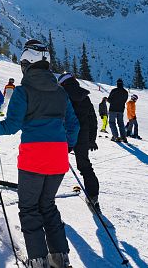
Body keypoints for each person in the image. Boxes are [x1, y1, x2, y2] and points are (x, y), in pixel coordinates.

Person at [0, 39, 79, 268]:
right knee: (47, 205)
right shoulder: (60, 92)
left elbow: (11, 126)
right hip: (58, 158)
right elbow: (73, 125)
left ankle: (38, 261)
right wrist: (65, 146)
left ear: (27, 64)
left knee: (29, 209)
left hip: (33, 158)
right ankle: (60, 258)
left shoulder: (22, 91)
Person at [58, 72, 101, 213]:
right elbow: (92, 119)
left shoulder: (62, 95)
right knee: (85, 166)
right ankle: (93, 197)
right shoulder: (84, 97)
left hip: (65, 135)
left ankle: (46, 195)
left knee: (55, 165)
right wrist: (91, 139)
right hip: (83, 136)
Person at [108, 79, 128, 143]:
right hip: (121, 110)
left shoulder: (114, 91)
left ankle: (115, 136)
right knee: (121, 123)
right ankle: (124, 137)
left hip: (113, 109)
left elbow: (109, 100)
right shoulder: (125, 92)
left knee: (112, 122)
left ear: (117, 84)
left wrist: (109, 101)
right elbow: (125, 100)